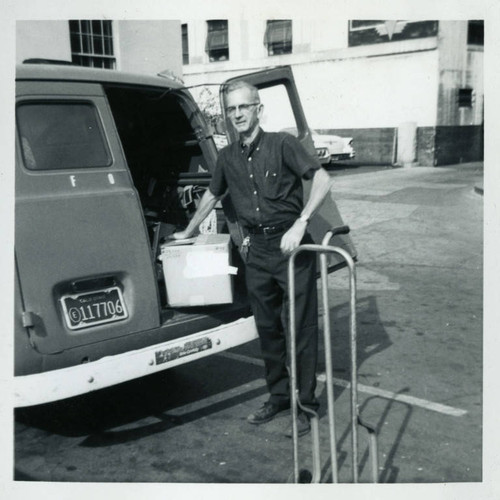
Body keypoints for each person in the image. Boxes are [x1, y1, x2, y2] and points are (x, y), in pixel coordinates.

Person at [172, 80, 332, 437]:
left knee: (301, 329)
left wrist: (301, 223)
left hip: (293, 249)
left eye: (244, 107)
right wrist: (188, 231)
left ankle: (306, 405)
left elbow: (322, 179)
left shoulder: (283, 144)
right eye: (231, 109)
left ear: (258, 109)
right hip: (256, 253)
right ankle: (278, 396)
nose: (238, 114)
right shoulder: (227, 157)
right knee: (268, 329)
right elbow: (211, 197)